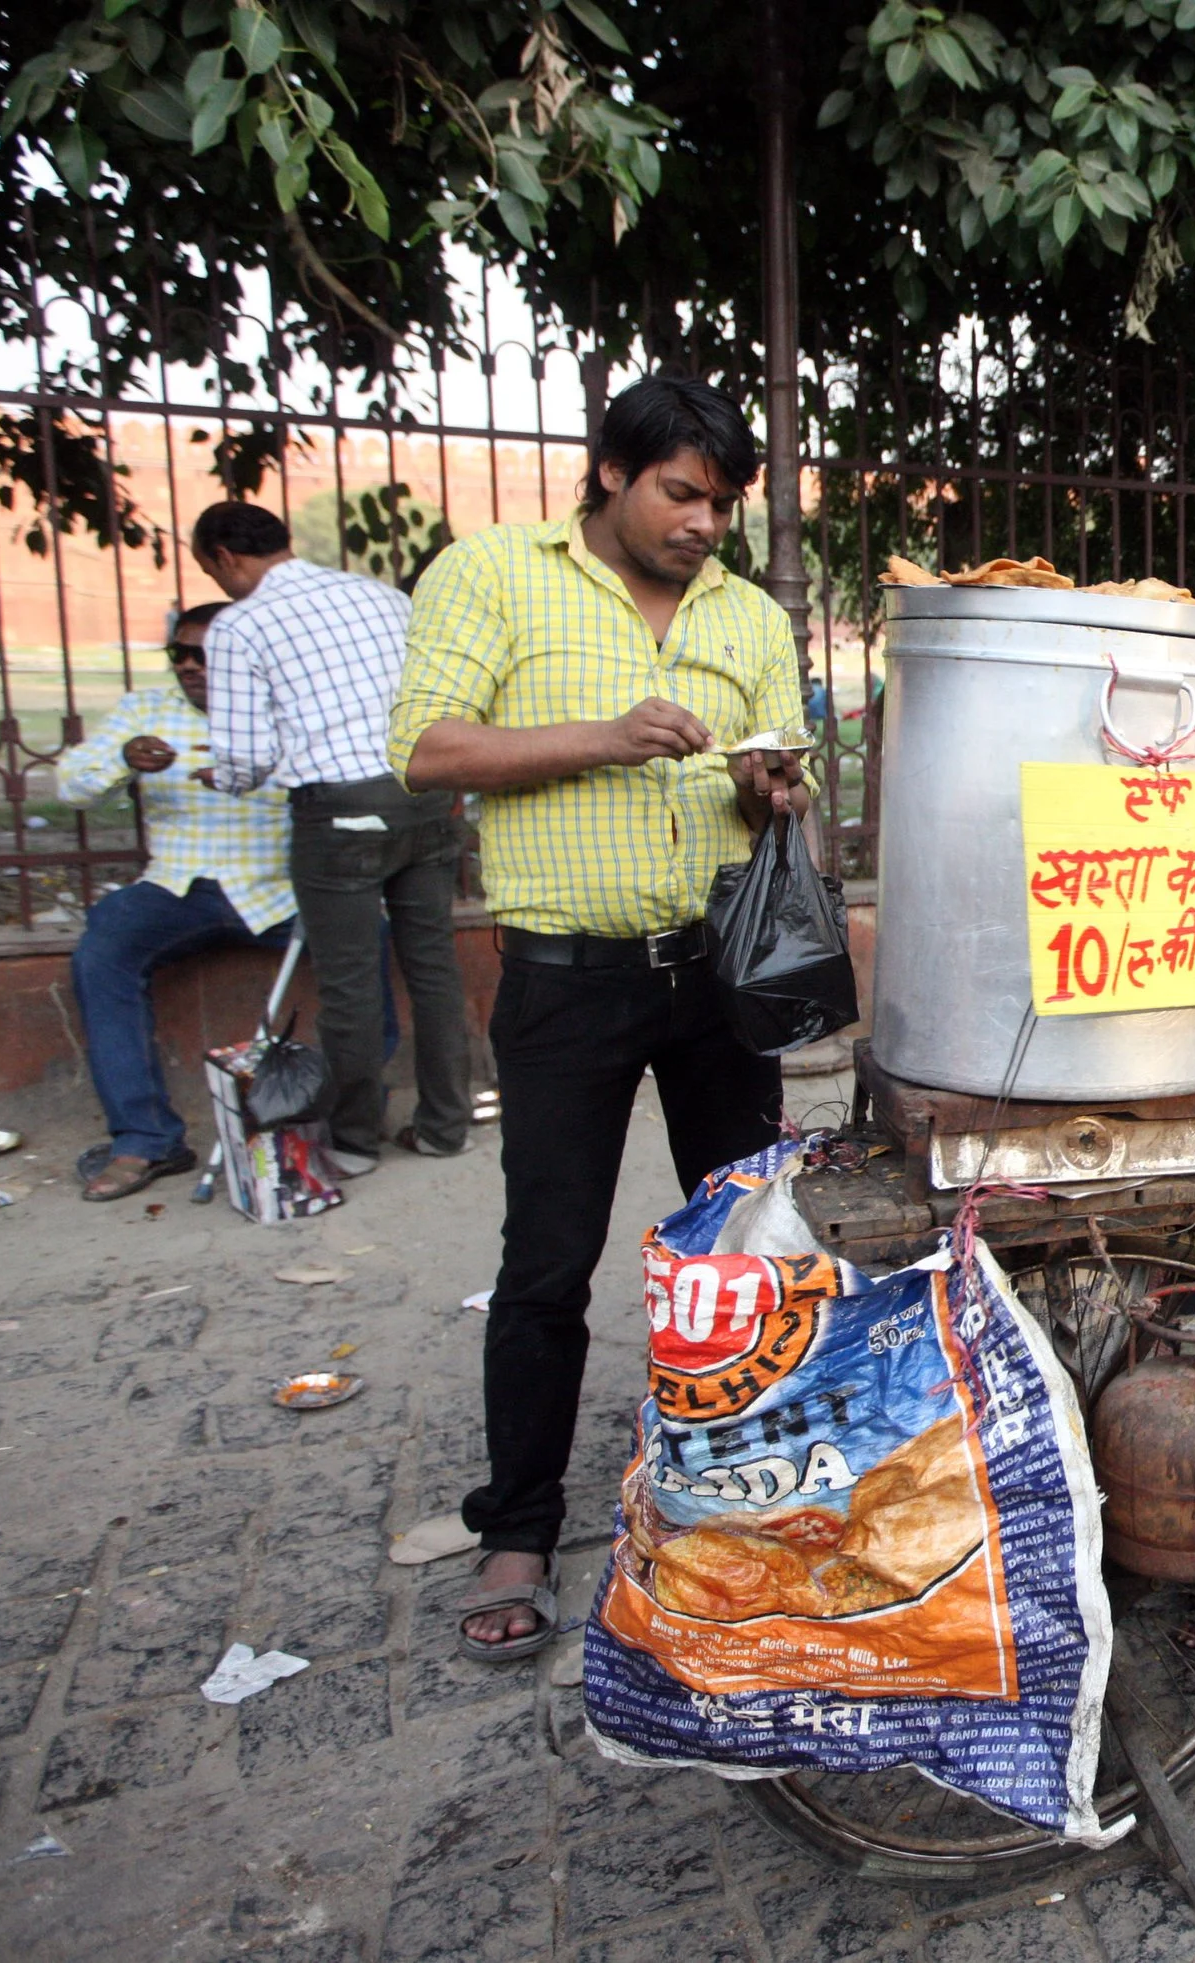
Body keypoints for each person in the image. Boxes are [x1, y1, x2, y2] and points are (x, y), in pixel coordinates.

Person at [389, 376, 810, 1660]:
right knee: (546, 1265)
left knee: (749, 1247)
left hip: (716, 973)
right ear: (612, 474)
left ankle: (754, 1500)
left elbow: (767, 791)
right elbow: (428, 748)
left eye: (722, 505)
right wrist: (607, 737)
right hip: (565, 978)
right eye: (681, 493)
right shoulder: (495, 574)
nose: (702, 525)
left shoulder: (748, 615)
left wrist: (763, 783)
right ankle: (517, 1524)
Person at [195, 500, 473, 1173]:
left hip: (339, 814)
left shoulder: (238, 625)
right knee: (433, 968)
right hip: (426, 795)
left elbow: (246, 757)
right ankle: (444, 1124)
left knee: (350, 982)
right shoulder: (380, 598)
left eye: (212, 570)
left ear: (226, 558)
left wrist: (220, 777)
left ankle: (353, 1139)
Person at [62, 603, 294, 1201]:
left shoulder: (286, 707)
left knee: (366, 939)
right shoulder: (147, 712)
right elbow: (70, 784)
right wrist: (121, 758)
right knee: (104, 947)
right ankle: (146, 1138)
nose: (189, 667)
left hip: (278, 888)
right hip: (179, 887)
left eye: (204, 655)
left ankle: (339, 1126)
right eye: (179, 655)